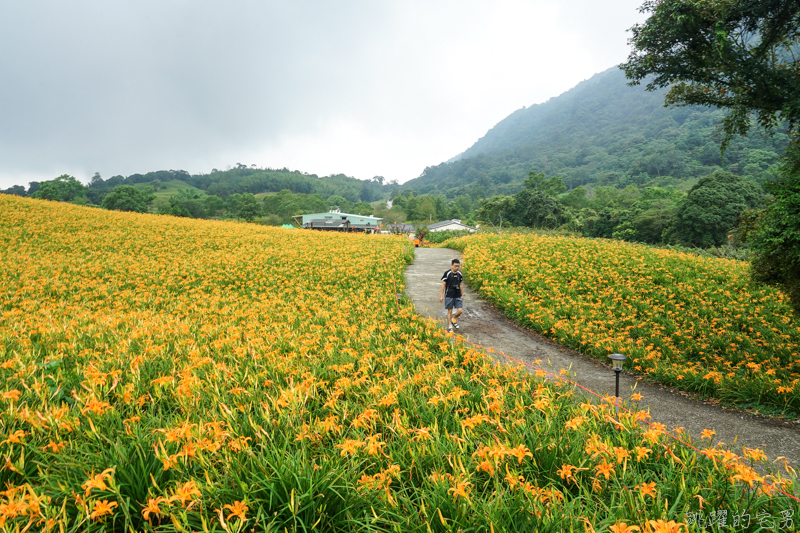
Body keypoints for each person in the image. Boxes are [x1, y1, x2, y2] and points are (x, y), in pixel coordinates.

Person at [440, 258, 463, 332]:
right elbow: (443, 285)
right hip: (449, 294)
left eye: (458, 266)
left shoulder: (460, 274)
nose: (457, 268)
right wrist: (441, 295)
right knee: (450, 311)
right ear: (451, 265)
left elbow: (460, 284)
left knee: (460, 310)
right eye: (455, 266)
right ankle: (450, 326)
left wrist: (462, 295)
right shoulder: (447, 273)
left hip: (458, 294)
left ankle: (454, 319)